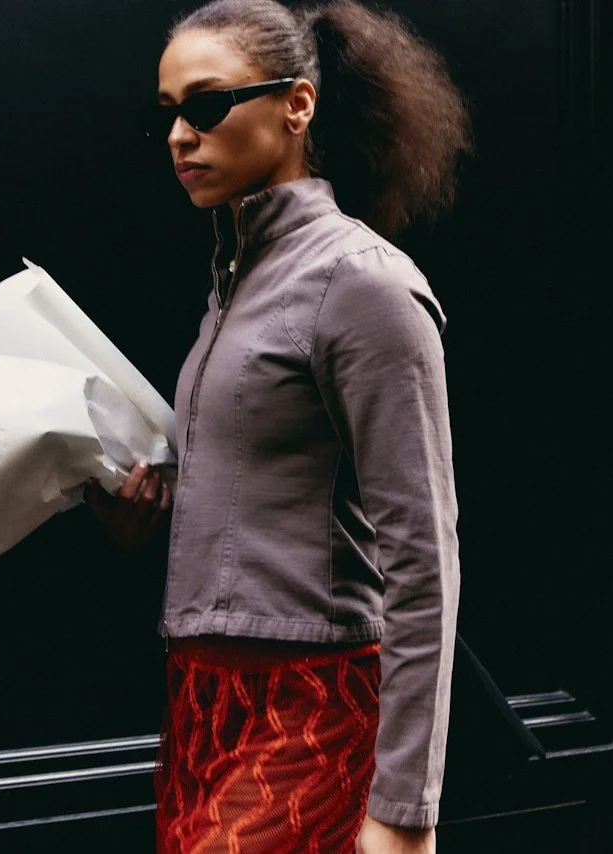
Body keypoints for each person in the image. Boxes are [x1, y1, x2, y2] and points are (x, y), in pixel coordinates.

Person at [85, 1, 471, 850]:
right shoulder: (232, 284)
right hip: (199, 701)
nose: (182, 135)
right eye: (168, 115)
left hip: (314, 701)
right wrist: (144, 517)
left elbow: (424, 558)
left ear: (297, 105)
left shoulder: (361, 283)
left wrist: (406, 809)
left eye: (207, 104)